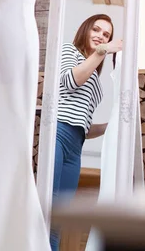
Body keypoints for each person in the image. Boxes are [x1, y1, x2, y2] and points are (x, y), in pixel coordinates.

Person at [50, 14, 122, 251]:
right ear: (85, 29)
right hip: (58, 137)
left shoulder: (93, 72)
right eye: (97, 29)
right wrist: (103, 50)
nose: (101, 36)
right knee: (48, 212)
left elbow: (83, 124)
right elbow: (70, 81)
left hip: (75, 146)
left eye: (106, 34)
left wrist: (109, 127)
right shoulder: (69, 51)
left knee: (59, 217)